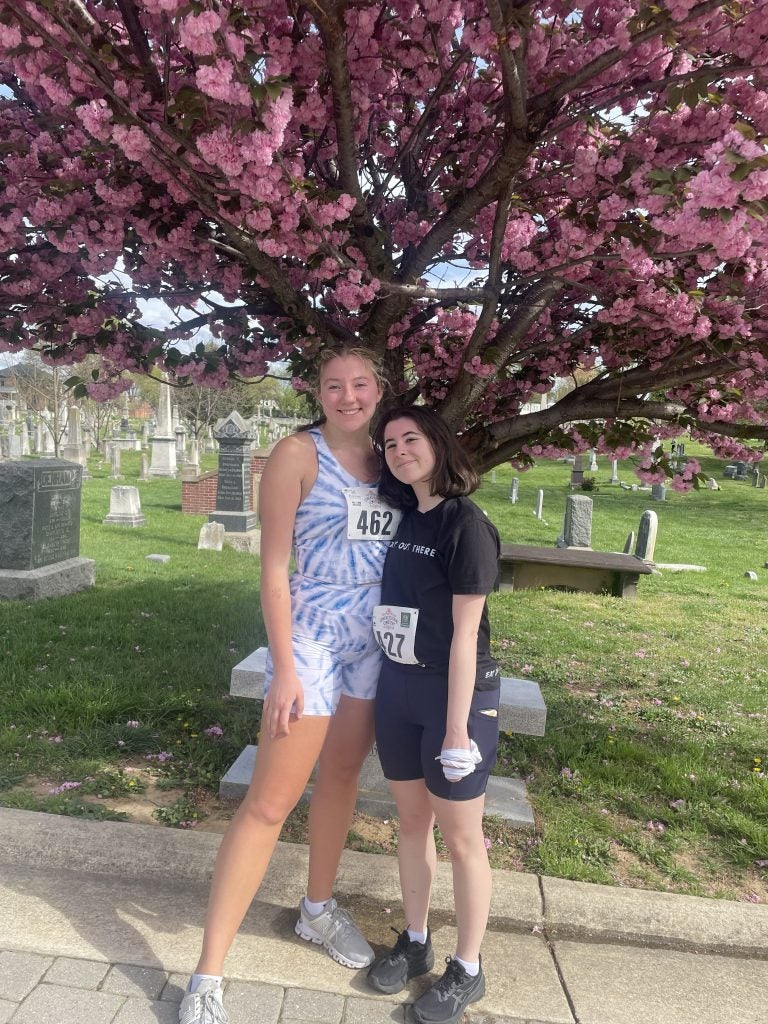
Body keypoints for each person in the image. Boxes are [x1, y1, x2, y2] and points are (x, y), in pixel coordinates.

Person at [180, 347, 399, 1024]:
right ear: (318, 392)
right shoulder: (296, 455)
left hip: (377, 637)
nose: (348, 396)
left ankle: (317, 909)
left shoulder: (393, 454)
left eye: (360, 384)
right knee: (270, 804)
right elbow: (274, 569)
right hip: (311, 637)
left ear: (379, 389)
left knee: (341, 780)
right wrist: (284, 669)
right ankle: (207, 975)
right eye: (334, 385)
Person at [365, 406, 501, 1024]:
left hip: (454, 699)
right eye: (389, 443)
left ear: (438, 444)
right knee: (412, 824)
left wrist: (456, 729)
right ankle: (416, 942)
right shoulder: (402, 517)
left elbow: (467, 636)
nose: (399, 451)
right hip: (398, 691)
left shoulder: (464, 525)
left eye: (410, 438)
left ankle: (467, 969)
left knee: (463, 837)